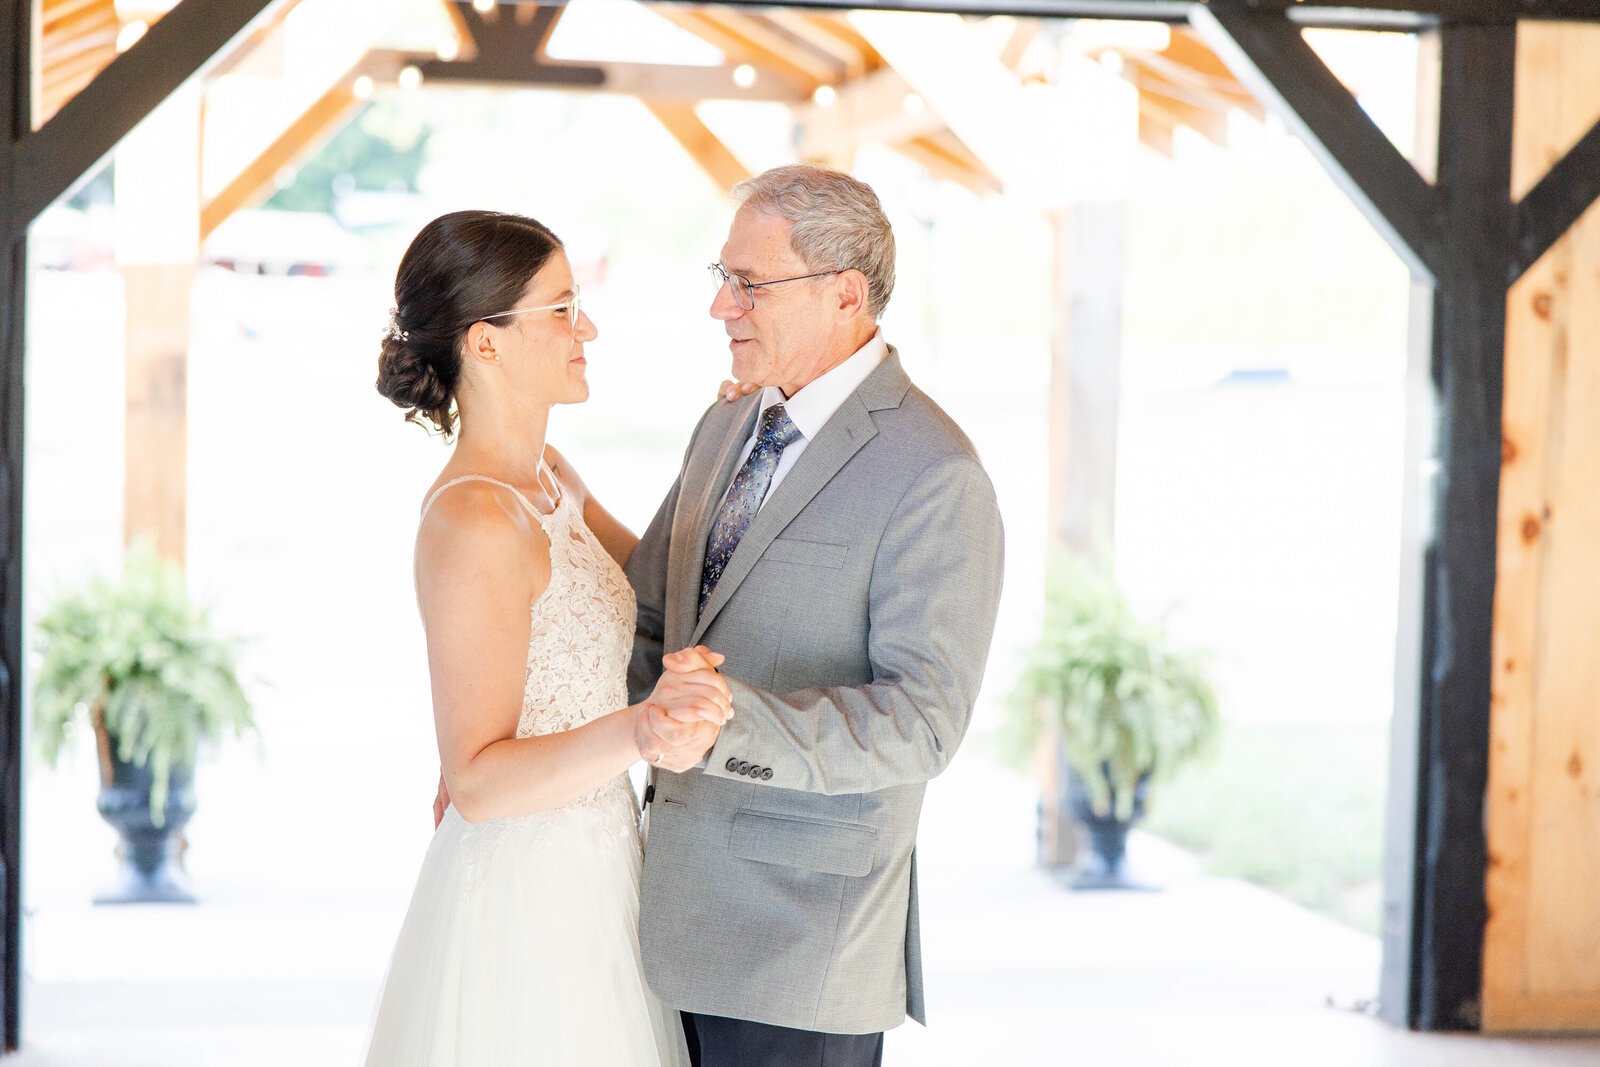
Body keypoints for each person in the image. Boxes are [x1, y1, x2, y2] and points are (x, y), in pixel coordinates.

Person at [626, 165, 1006, 1067]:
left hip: (801, 952)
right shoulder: (726, 425)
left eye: (749, 283)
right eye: (721, 278)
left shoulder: (935, 473)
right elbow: (650, 618)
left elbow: (923, 721)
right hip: (662, 921)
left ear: (846, 294)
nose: (722, 307)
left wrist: (717, 725)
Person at [362, 210, 728, 1066]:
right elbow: (479, 782)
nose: (587, 327)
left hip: (604, 869)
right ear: (485, 342)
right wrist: (643, 730)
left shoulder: (550, 479)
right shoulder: (473, 519)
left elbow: (665, 593)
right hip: (527, 902)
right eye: (562, 309)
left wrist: (727, 445)